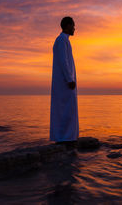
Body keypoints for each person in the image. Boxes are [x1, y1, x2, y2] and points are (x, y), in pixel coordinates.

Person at [50, 16, 79, 145]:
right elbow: (63, 61)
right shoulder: (61, 40)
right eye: (73, 25)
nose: (74, 28)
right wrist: (69, 79)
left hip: (65, 82)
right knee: (65, 109)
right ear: (67, 25)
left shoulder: (63, 40)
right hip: (65, 82)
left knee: (66, 109)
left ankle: (67, 136)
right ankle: (65, 137)